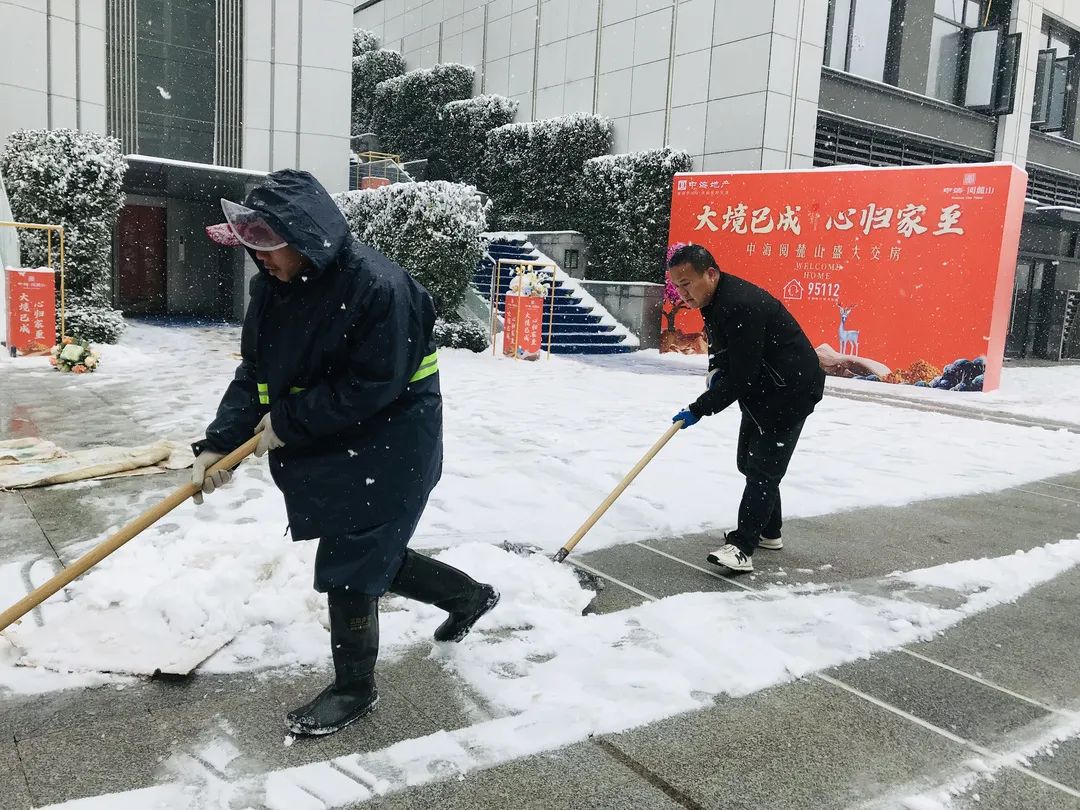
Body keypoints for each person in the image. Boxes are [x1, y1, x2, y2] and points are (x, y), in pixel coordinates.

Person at [192, 169, 499, 737]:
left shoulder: (381, 289)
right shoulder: (272, 287)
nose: (262, 262)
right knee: (369, 554)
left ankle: (354, 688)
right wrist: (220, 441)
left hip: (394, 440)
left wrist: (289, 421)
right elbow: (255, 371)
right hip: (334, 438)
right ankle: (471, 596)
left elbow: (371, 385)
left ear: (306, 236)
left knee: (351, 567)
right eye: (253, 249)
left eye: (270, 248)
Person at [667, 244, 824, 573]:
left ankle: (742, 547)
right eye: (678, 286)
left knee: (763, 471)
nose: (683, 293)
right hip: (766, 388)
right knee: (748, 463)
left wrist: (701, 407)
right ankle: (769, 531)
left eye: (687, 283)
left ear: (711, 274)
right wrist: (715, 371)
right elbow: (727, 353)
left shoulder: (740, 304)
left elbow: (743, 376)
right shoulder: (715, 300)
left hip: (790, 390)